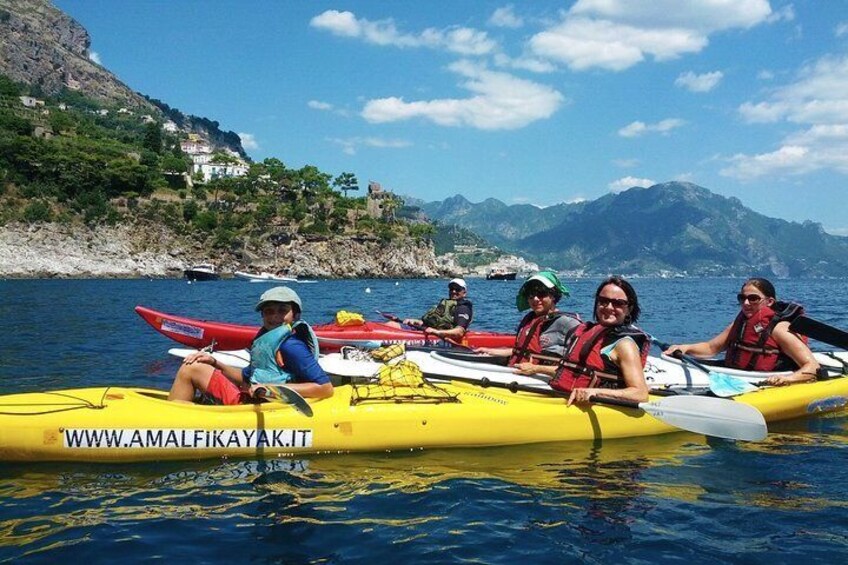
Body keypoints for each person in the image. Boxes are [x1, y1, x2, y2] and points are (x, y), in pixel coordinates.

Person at [168, 286, 334, 404]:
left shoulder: (291, 346)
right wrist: (213, 362)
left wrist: (270, 387)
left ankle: (172, 422)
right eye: (269, 311)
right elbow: (245, 377)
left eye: (282, 310)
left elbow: (325, 388)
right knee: (197, 364)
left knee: (191, 369)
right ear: (262, 315)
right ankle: (180, 411)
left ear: (295, 315)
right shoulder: (266, 340)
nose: (275, 316)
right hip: (253, 398)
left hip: (265, 406)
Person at [663, 277, 819, 386]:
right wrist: (685, 348)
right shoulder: (739, 324)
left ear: (769, 301)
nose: (746, 303)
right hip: (739, 376)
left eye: (753, 298)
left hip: (766, 379)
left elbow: (812, 367)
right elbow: (711, 349)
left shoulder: (780, 329)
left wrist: (788, 379)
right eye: (742, 298)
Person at [549, 276, 651, 406]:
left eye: (618, 303)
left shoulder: (625, 345)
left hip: (598, 406)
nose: (609, 307)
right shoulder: (591, 332)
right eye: (603, 301)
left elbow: (640, 394)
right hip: (564, 397)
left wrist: (595, 392)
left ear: (629, 309)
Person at [476, 271, 581, 374]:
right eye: (530, 295)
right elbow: (522, 351)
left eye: (541, 293)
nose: (535, 299)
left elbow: (577, 369)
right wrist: (491, 351)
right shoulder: (530, 320)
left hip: (542, 382)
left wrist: (536, 369)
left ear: (553, 295)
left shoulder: (567, 323)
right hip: (518, 374)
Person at [395, 278, 473, 342]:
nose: (453, 291)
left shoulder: (463, 308)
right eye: (451, 289)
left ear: (464, 293)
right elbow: (434, 322)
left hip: (436, 335)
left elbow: (459, 332)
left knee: (392, 325)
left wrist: (436, 332)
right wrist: (415, 321)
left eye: (457, 289)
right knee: (392, 324)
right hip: (426, 330)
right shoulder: (446, 304)